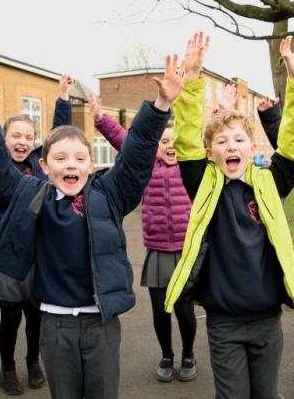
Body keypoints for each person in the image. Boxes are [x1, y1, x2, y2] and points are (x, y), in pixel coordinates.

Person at [0, 53, 183, 399]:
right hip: (55, 324)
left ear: (91, 163)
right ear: (45, 166)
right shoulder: (31, 195)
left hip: (102, 324)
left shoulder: (110, 194)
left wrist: (161, 104)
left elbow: (137, 155)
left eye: (79, 158)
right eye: (61, 159)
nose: (71, 165)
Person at [164, 33, 294, 399]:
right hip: (224, 321)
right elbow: (184, 139)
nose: (231, 146)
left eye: (238, 140)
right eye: (222, 141)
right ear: (210, 151)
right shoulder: (202, 182)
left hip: (266, 319)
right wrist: (194, 77)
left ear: (253, 147)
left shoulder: (270, 182)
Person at [0, 73, 75, 395]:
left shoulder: (40, 168)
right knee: (10, 317)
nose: (22, 141)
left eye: (28, 136)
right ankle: (7, 368)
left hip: (35, 253)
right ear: (4, 139)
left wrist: (63, 99)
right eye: (15, 136)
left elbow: (58, 137)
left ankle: (33, 361)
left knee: (36, 315)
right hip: (4, 256)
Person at [92, 103, 198, 382]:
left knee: (185, 309)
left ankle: (188, 354)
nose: (170, 146)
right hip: (158, 251)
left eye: (175, 142)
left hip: (185, 251)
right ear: (156, 145)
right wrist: (102, 119)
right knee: (161, 309)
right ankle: (167, 355)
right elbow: (125, 140)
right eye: (164, 141)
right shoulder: (147, 164)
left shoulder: (192, 167)